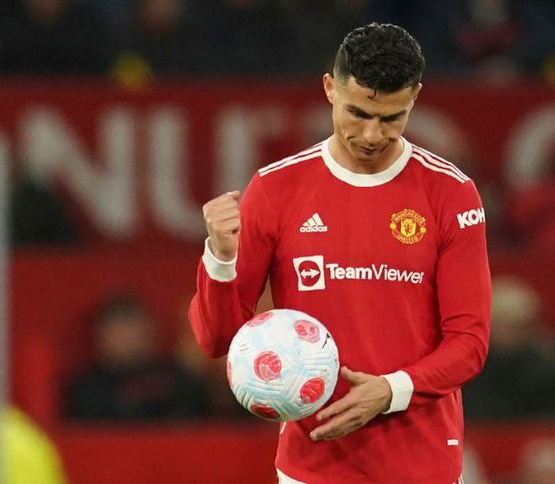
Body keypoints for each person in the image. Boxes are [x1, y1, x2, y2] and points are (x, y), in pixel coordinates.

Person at [189, 23, 491, 483]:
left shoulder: (451, 193)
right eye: (358, 113)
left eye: (391, 118)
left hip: (420, 463)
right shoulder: (276, 189)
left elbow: (469, 343)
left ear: (415, 99)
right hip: (312, 465)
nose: (371, 134)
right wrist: (220, 258)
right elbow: (216, 341)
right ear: (330, 88)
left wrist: (391, 390)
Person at [65, 294, 209, 422]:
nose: (127, 339)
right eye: (118, 331)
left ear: (150, 331)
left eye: (132, 327)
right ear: (100, 337)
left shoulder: (177, 378)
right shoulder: (88, 388)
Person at [463, 277, 555, 420]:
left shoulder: (544, 367)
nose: (517, 332)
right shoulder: (466, 367)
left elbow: (551, 418)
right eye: (507, 324)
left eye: (523, 325)